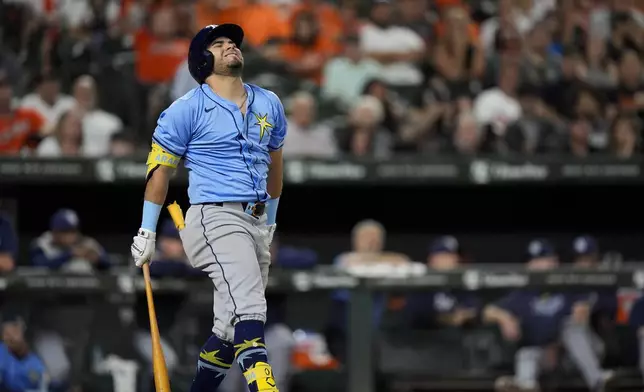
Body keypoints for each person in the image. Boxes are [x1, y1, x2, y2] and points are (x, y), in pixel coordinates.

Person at [130, 24, 286, 392]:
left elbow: (276, 168)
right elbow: (160, 172)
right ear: (203, 59)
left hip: (255, 219)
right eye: (219, 44)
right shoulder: (185, 109)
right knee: (251, 312)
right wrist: (147, 230)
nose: (230, 45)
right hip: (214, 216)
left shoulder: (269, 102)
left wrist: (271, 223)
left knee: (230, 330)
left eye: (232, 42)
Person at [0, 313, 48, 392]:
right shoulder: (2, 352)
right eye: (6, 333)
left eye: (14, 332)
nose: (9, 337)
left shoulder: (36, 364)